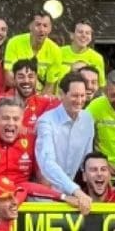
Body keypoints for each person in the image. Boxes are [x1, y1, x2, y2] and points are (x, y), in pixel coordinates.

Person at [35, 73, 94, 209]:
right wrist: (76, 191)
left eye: (82, 95)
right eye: (74, 95)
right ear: (61, 94)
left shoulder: (88, 119)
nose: (79, 100)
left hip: (74, 198)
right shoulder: (46, 121)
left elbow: (87, 159)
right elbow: (47, 163)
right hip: (44, 197)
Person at [2, 12, 63, 92]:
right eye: (38, 25)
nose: (41, 29)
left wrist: (37, 102)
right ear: (30, 26)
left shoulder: (56, 51)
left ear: (50, 29)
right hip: (15, 93)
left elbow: (50, 85)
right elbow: (8, 78)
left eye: (45, 26)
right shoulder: (14, 43)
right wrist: (25, 93)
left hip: (40, 96)